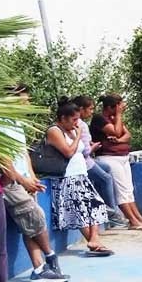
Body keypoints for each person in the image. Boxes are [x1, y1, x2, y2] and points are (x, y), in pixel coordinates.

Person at [0, 84, 69, 282]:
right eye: (24, 99)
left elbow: (23, 153)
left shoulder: (16, 123)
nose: (27, 103)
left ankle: (38, 268)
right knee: (35, 217)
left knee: (28, 224)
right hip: (11, 182)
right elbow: (4, 158)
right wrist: (21, 180)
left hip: (26, 180)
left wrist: (31, 177)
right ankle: (50, 256)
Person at [47, 98, 112, 256]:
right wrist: (78, 135)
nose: (77, 123)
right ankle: (95, 243)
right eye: (74, 119)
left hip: (81, 174)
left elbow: (83, 151)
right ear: (63, 118)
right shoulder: (54, 131)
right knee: (80, 211)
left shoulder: (73, 130)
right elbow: (68, 151)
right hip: (67, 177)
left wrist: (77, 134)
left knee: (95, 205)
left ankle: (94, 240)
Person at [91, 94, 142, 230]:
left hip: (122, 157)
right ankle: (132, 221)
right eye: (119, 106)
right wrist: (118, 117)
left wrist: (119, 141)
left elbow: (126, 135)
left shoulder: (113, 119)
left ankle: (139, 218)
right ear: (109, 107)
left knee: (128, 189)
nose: (121, 108)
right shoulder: (99, 119)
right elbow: (117, 131)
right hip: (109, 158)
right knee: (121, 191)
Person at [73, 95, 127, 228]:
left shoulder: (82, 124)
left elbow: (125, 134)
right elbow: (84, 151)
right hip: (84, 161)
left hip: (88, 159)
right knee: (106, 179)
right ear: (81, 109)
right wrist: (92, 147)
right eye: (90, 109)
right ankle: (112, 213)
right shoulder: (82, 124)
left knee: (106, 168)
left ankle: (107, 208)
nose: (92, 112)